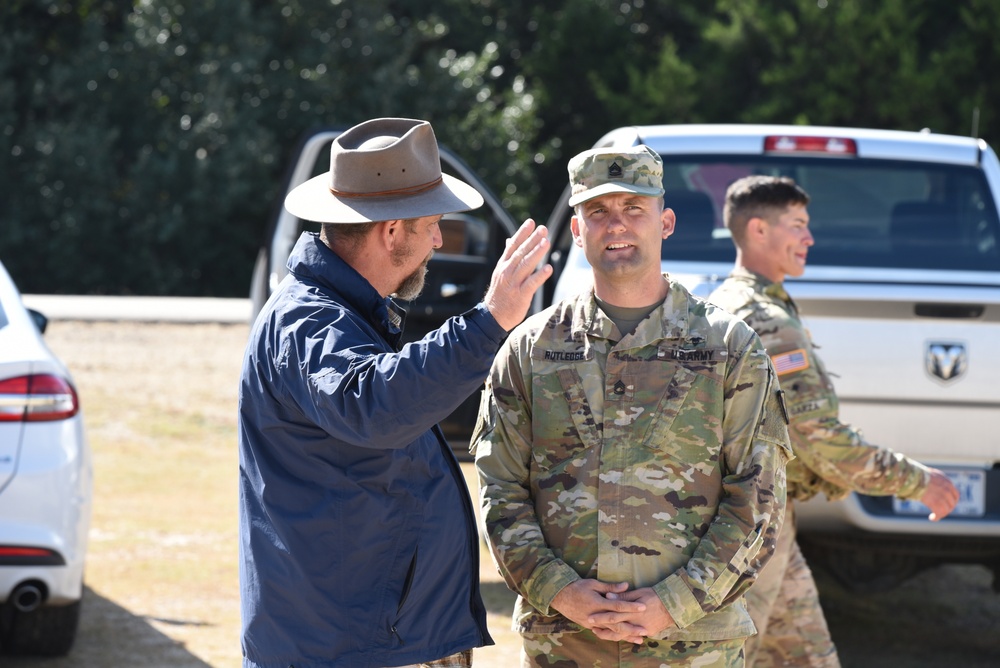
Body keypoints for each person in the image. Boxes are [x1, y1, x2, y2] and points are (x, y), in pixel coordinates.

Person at [237, 117, 553, 668]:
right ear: (390, 232)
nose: (438, 240)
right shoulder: (308, 322)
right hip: (348, 649)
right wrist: (489, 322)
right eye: (432, 224)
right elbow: (374, 404)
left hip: (364, 639)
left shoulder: (336, 313)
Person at [472, 145, 793, 667]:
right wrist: (559, 591)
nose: (615, 225)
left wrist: (675, 602)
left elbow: (757, 501)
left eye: (633, 209)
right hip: (566, 643)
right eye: (597, 212)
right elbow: (499, 489)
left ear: (664, 222)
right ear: (577, 232)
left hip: (694, 646)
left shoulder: (728, 347)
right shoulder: (532, 350)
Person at [708, 175, 961, 668]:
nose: (810, 238)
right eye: (798, 225)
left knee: (807, 657)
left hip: (763, 523)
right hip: (747, 530)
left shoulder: (726, 304)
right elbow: (818, 439)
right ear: (758, 231)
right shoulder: (765, 321)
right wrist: (918, 482)